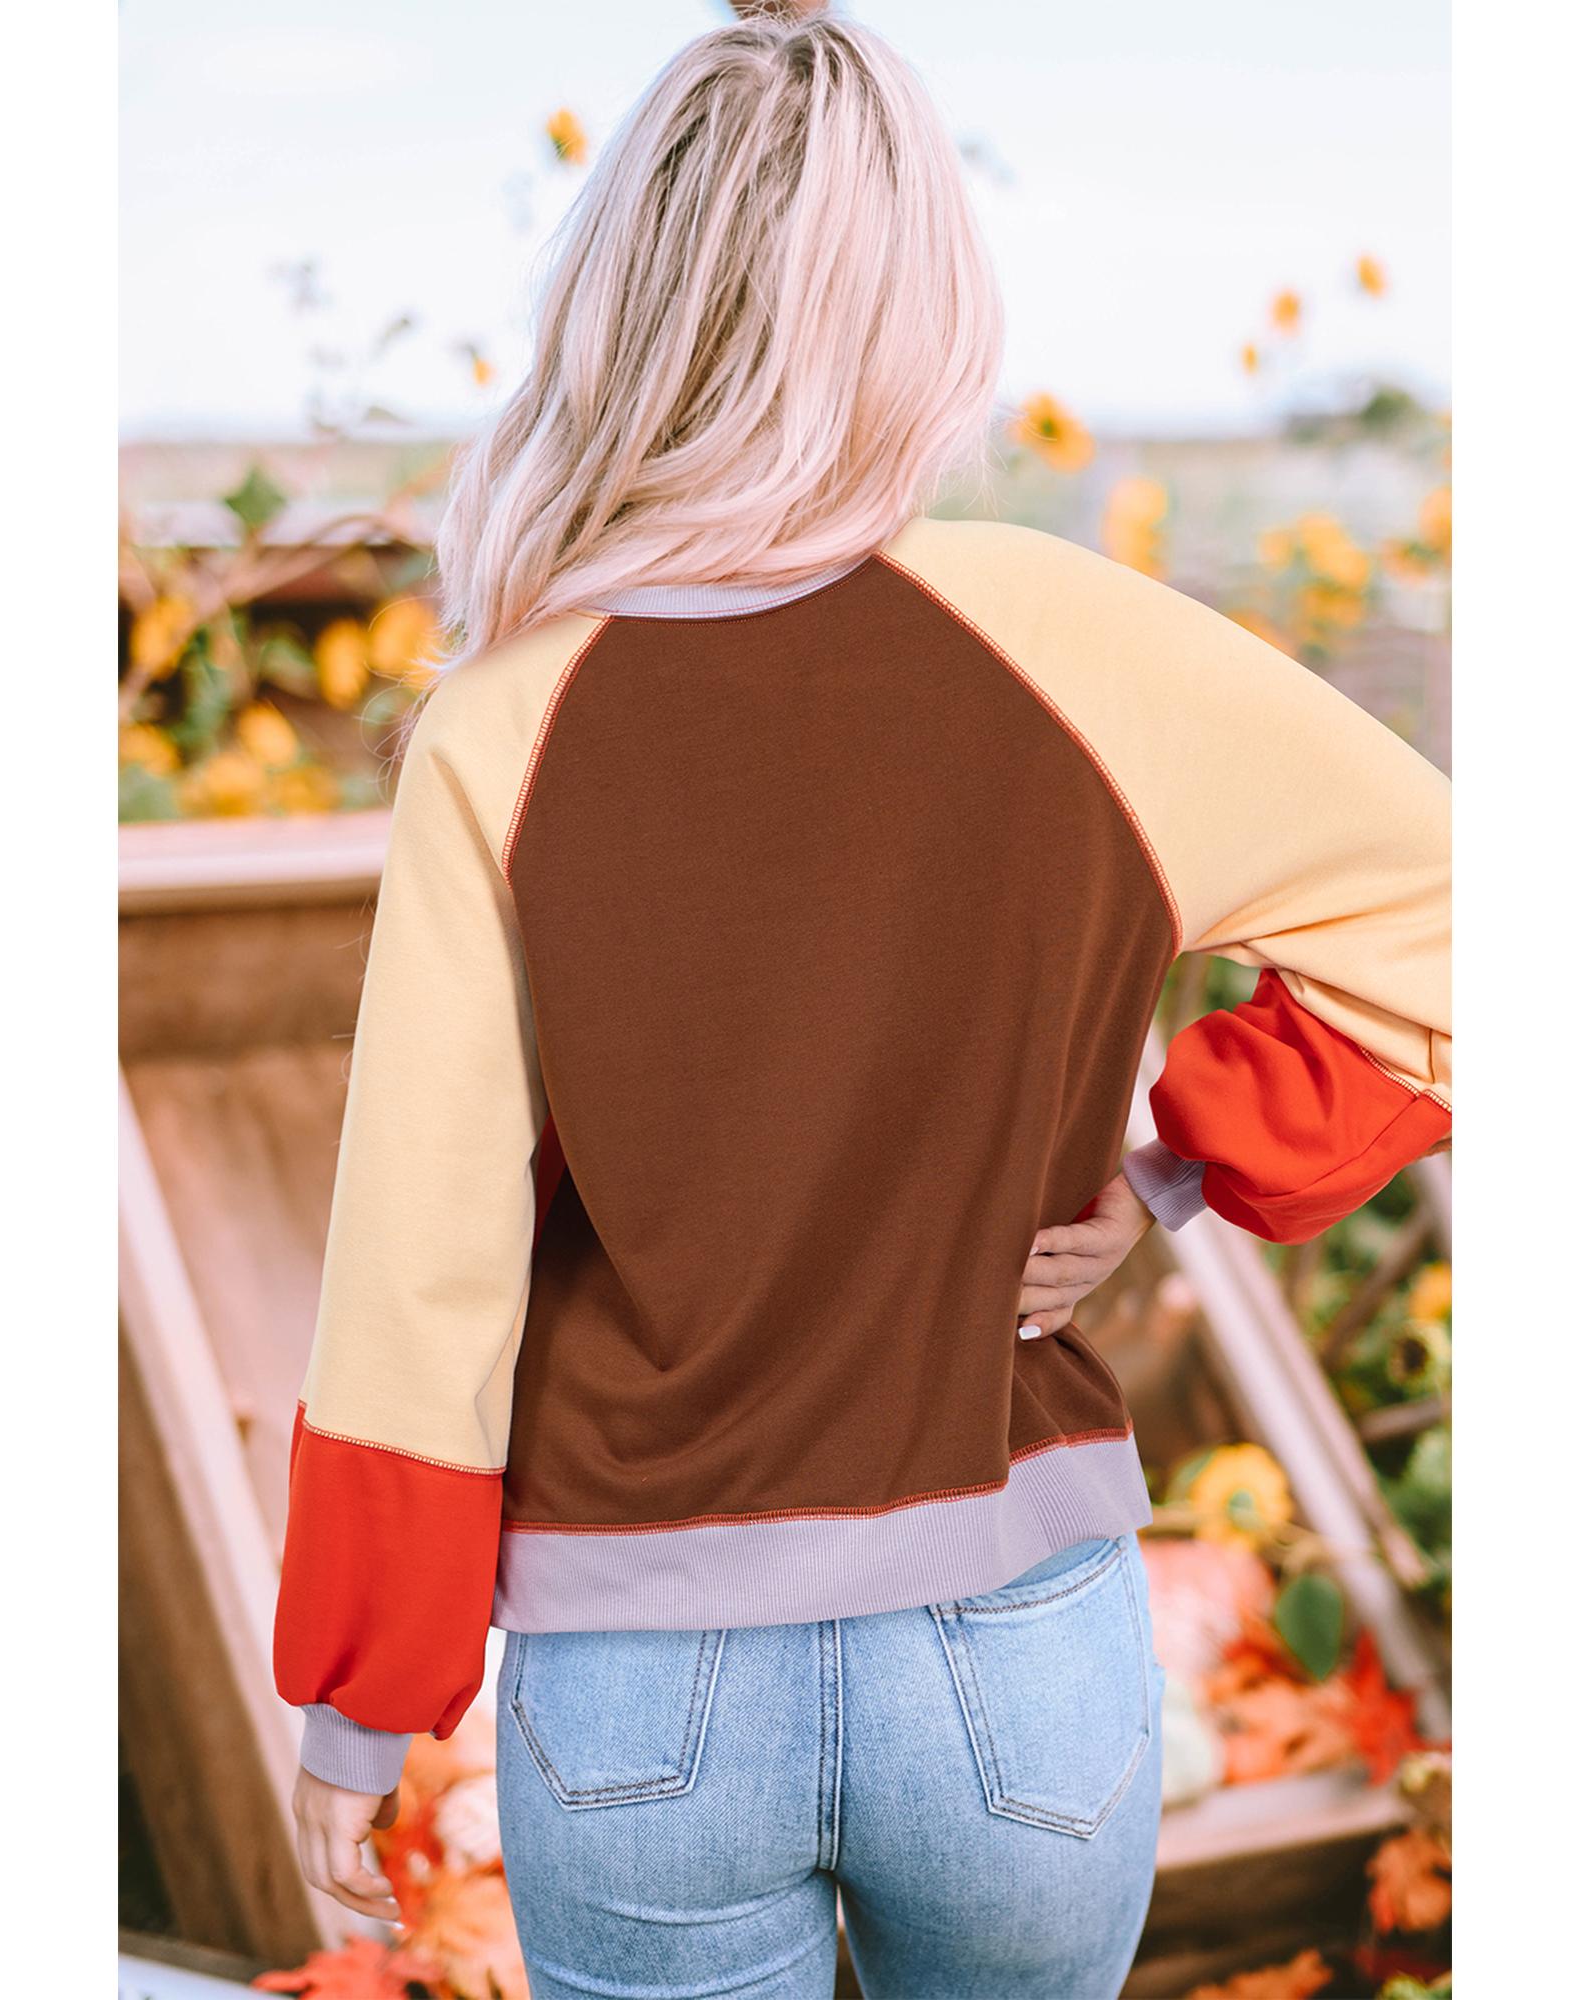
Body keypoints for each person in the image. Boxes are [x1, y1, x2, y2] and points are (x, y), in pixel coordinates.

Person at [272, 15, 1451, 1998]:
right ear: (925, 307)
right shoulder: (1074, 643)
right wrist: (1172, 1164)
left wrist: (355, 1708)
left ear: (622, 307)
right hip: (1021, 1656)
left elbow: (420, 1272)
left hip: (639, 1677)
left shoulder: (501, 726)